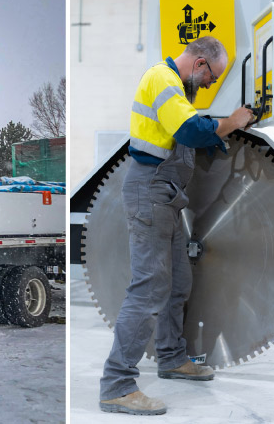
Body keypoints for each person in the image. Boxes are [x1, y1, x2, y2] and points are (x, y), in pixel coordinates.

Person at [98, 36, 254, 416]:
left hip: (165, 195)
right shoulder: (162, 79)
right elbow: (187, 131)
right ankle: (116, 384)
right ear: (200, 63)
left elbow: (189, 129)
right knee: (149, 286)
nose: (209, 85)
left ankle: (170, 358)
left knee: (178, 281)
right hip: (150, 189)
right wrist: (230, 122)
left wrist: (219, 134)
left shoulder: (175, 89)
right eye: (211, 77)